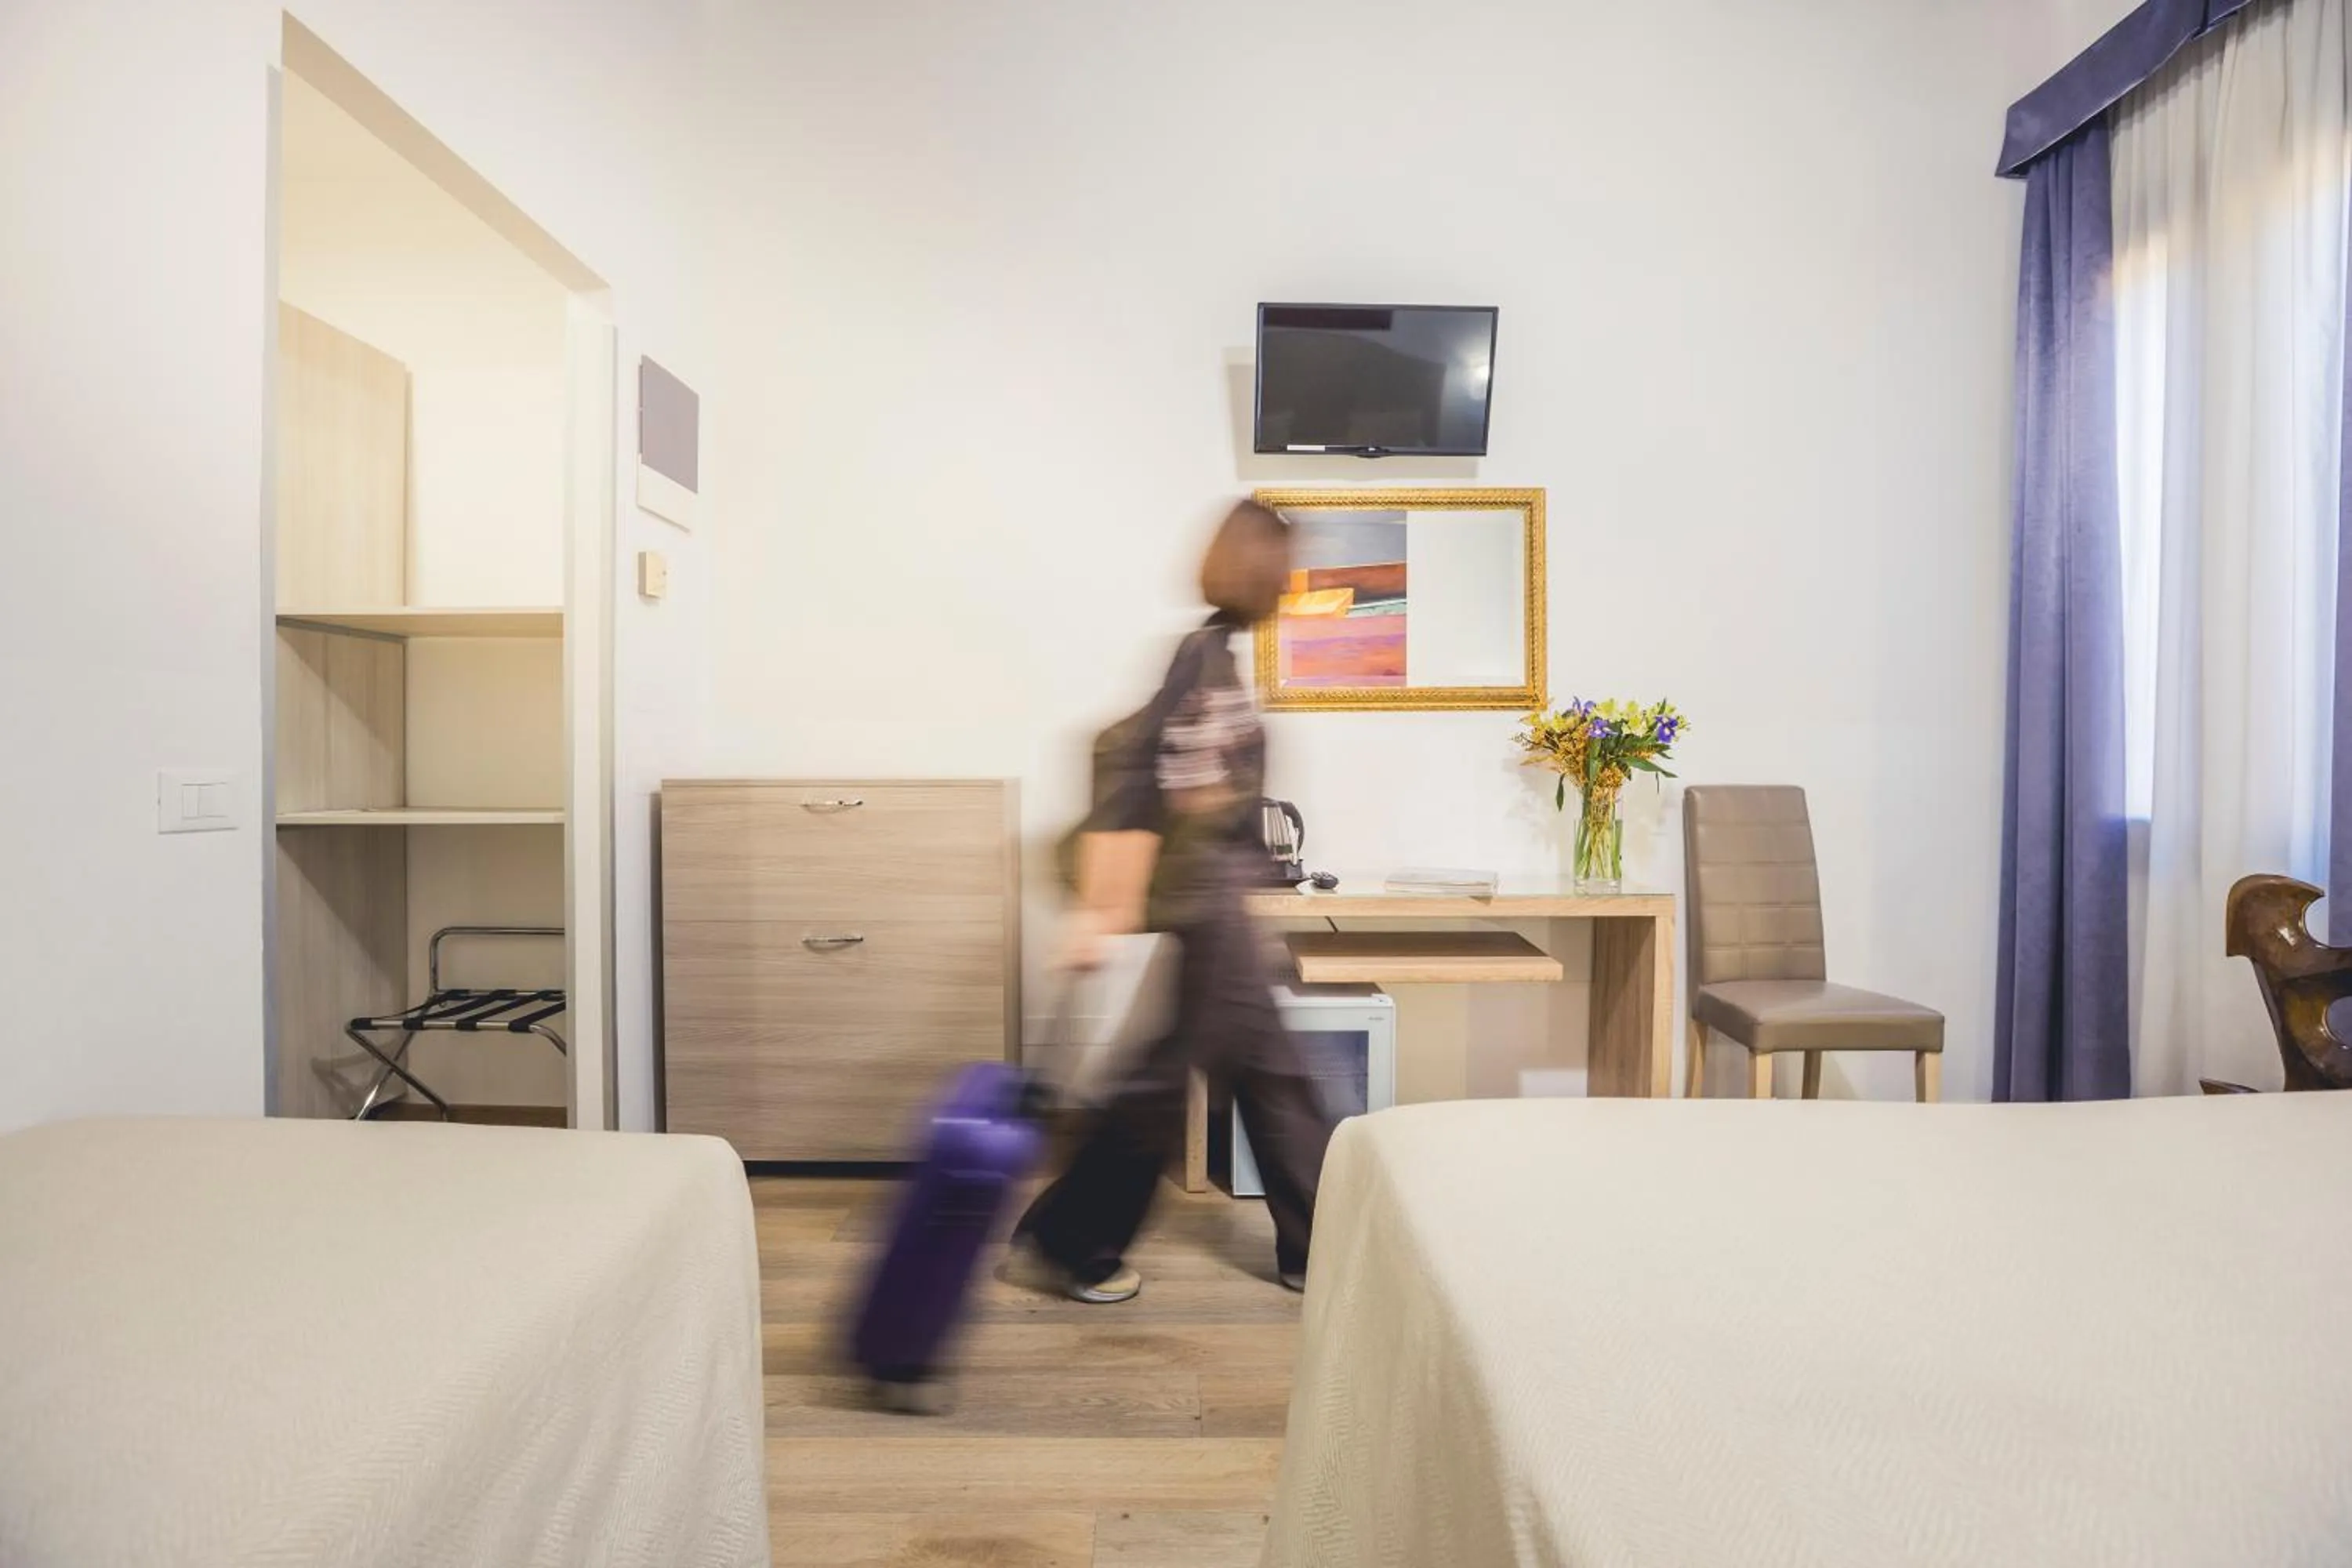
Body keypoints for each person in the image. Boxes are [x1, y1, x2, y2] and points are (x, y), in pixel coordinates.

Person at [1015, 499, 1336, 1304]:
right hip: (1208, 904)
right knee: (1167, 1083)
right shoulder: (1202, 658)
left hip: (1218, 899)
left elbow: (1194, 789)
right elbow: (1140, 790)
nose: (1292, 584)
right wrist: (1100, 912)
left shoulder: (1213, 653)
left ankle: (1317, 1247)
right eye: (1286, 567)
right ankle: (1068, 1238)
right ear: (1260, 568)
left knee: (1271, 1073)